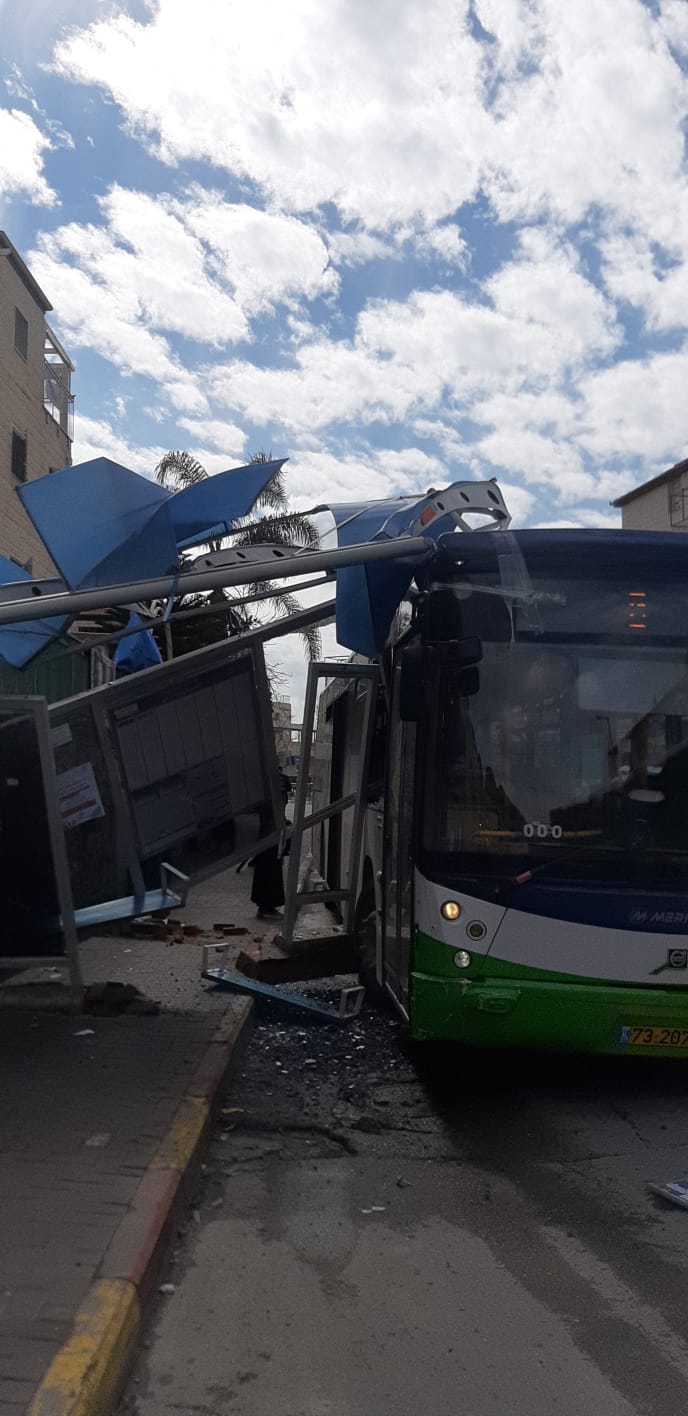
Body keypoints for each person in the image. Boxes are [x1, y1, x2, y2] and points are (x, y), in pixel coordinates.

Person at [250, 776, 291, 918]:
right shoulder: (269, 798)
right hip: (269, 839)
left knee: (270, 871)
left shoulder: (274, 795)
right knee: (268, 871)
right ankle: (265, 906)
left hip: (272, 837)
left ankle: (267, 905)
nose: (283, 788)